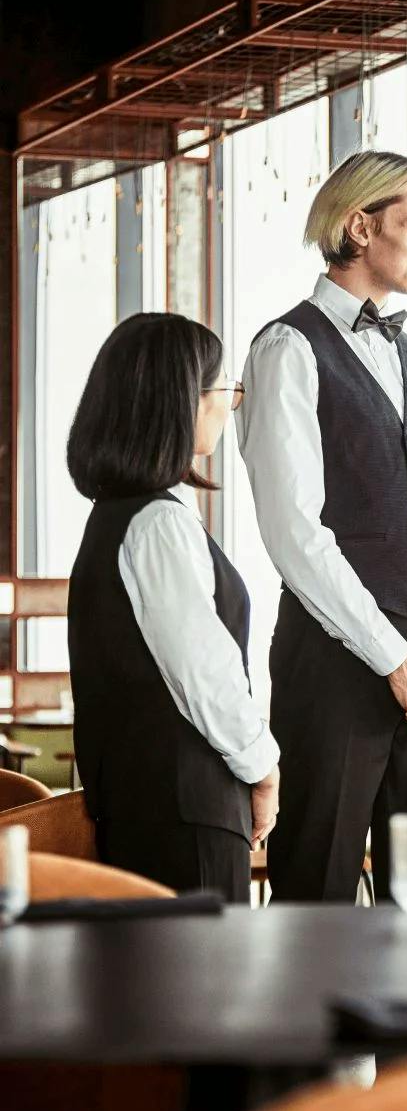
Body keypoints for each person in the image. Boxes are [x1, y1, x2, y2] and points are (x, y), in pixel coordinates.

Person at [238, 150, 407, 903]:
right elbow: (294, 534)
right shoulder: (287, 348)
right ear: (359, 227)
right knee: (314, 894)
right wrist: (393, 659)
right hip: (336, 668)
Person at [66, 314, 280, 902]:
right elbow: (204, 675)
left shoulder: (113, 518)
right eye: (224, 390)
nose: (232, 404)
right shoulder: (159, 524)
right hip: (186, 810)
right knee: (201, 990)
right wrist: (264, 769)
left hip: (142, 808)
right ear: (179, 401)